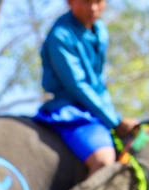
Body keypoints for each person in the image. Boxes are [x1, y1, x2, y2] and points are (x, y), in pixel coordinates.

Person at [34, 0, 138, 174]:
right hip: (69, 112)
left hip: (96, 111)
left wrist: (113, 115)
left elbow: (98, 84)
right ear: (70, 2)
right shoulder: (60, 36)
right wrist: (114, 121)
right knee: (103, 160)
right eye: (86, 2)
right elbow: (77, 86)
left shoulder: (101, 31)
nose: (93, 8)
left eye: (98, 1)